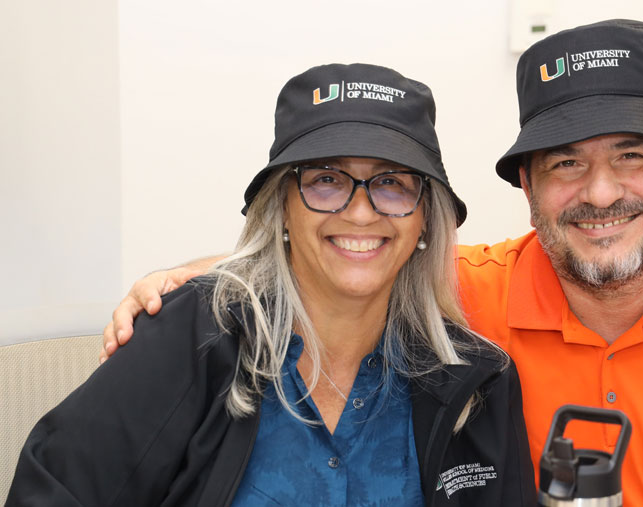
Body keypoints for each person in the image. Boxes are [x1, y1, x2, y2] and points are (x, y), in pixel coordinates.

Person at [101, 20, 643, 506]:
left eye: (632, 156)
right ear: (526, 188)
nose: (599, 192)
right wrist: (193, 276)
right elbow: (342, 251)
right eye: (563, 164)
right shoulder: (459, 298)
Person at [8, 63, 536, 506]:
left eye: (392, 183)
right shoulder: (189, 334)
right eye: (326, 179)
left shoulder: (475, 380)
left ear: (425, 219)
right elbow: (52, 491)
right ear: (281, 205)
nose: (359, 211)